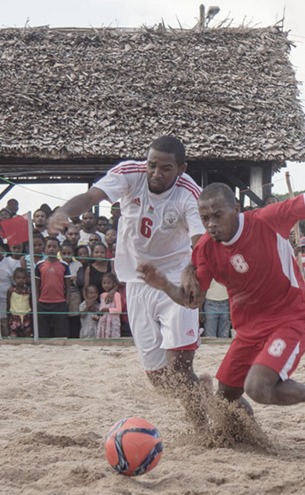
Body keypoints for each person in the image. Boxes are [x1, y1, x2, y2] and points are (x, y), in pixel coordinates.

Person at [139, 157, 305, 436]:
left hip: (291, 318)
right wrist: (162, 283)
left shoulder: (267, 220)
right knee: (225, 398)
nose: (210, 225)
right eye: (204, 218)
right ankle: (251, 439)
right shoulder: (206, 250)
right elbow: (193, 301)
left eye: (217, 215)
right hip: (248, 331)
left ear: (236, 209)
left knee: (257, 387)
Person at [48, 136, 205, 391]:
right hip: (138, 281)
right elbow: (90, 197)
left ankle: (209, 428)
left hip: (176, 280)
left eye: (165, 168)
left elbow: (201, 241)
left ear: (181, 169)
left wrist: (194, 270)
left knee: (180, 367)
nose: (155, 173)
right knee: (159, 379)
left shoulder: (189, 193)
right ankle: (203, 392)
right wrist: (63, 212)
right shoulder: (129, 173)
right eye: (151, 165)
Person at [35, 237, 70, 338]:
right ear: (45, 249)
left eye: (54, 247)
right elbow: (36, 285)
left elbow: (67, 286)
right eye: (49, 246)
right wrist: (37, 302)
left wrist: (67, 303)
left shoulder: (64, 265)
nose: (51, 249)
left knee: (61, 331)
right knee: (43, 332)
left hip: (60, 303)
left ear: (59, 249)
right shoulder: (39, 265)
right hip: (43, 303)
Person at [7, 267, 33, 338]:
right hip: (14, 317)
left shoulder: (28, 291)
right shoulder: (11, 290)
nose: (21, 280)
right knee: (14, 336)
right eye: (18, 278)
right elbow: (8, 303)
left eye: (23, 278)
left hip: (26, 317)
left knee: (27, 336)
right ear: (14, 278)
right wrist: (9, 315)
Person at [97, 272, 123, 339]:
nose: (106, 285)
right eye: (104, 283)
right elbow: (101, 308)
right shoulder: (102, 295)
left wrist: (107, 310)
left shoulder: (116, 295)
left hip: (113, 321)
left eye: (108, 283)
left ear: (113, 283)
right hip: (103, 321)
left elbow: (119, 310)